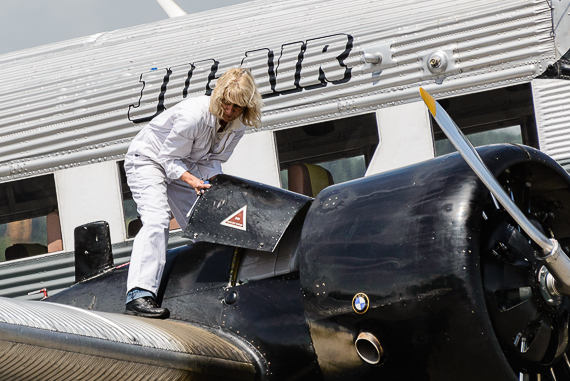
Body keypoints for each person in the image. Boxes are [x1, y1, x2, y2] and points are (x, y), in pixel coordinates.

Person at [124, 68, 262, 318]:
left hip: (184, 165)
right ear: (218, 95)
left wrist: (213, 189)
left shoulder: (237, 127)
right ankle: (138, 294)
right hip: (149, 159)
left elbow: (213, 162)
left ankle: (211, 291)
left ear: (246, 107)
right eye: (226, 103)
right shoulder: (193, 115)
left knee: (204, 224)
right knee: (157, 220)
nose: (229, 111)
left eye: (237, 107)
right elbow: (167, 158)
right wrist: (193, 181)